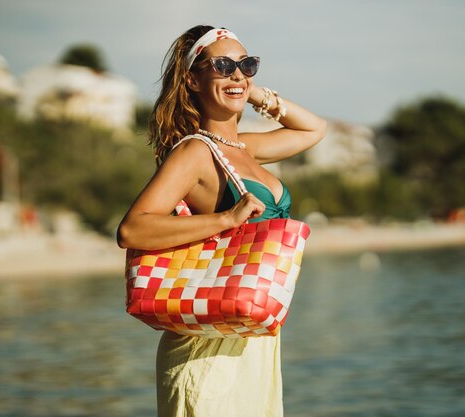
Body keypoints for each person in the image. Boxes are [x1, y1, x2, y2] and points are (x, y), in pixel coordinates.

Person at [117, 25, 326, 417]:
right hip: (206, 342)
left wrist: (249, 89)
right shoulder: (196, 151)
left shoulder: (244, 147)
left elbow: (315, 128)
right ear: (193, 78)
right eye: (224, 65)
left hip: (255, 338)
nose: (237, 73)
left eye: (247, 65)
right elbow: (133, 229)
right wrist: (226, 218)